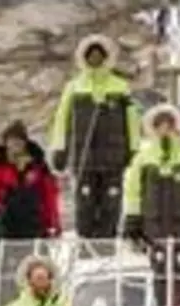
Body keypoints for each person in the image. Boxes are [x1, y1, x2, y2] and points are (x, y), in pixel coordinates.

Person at [48, 34, 141, 240]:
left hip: (114, 158)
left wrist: (134, 149)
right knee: (85, 201)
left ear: (107, 57)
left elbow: (132, 121)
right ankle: (85, 243)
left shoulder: (120, 87)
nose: (95, 59)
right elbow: (62, 119)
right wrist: (60, 148)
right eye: (91, 55)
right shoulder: (74, 87)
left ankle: (107, 242)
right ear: (84, 58)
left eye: (100, 55)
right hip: (84, 158)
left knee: (112, 201)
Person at [122, 103, 180, 306]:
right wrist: (132, 220)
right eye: (159, 125)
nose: (164, 129)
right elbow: (132, 191)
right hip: (153, 225)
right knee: (159, 268)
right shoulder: (142, 159)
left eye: (168, 125)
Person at [0, 121, 62, 306]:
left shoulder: (38, 167)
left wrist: (54, 224)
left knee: (40, 271)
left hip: (35, 227)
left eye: (18, 142)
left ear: (24, 143)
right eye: (11, 142)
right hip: (8, 230)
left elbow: (50, 197)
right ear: (5, 144)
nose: (15, 147)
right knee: (8, 275)